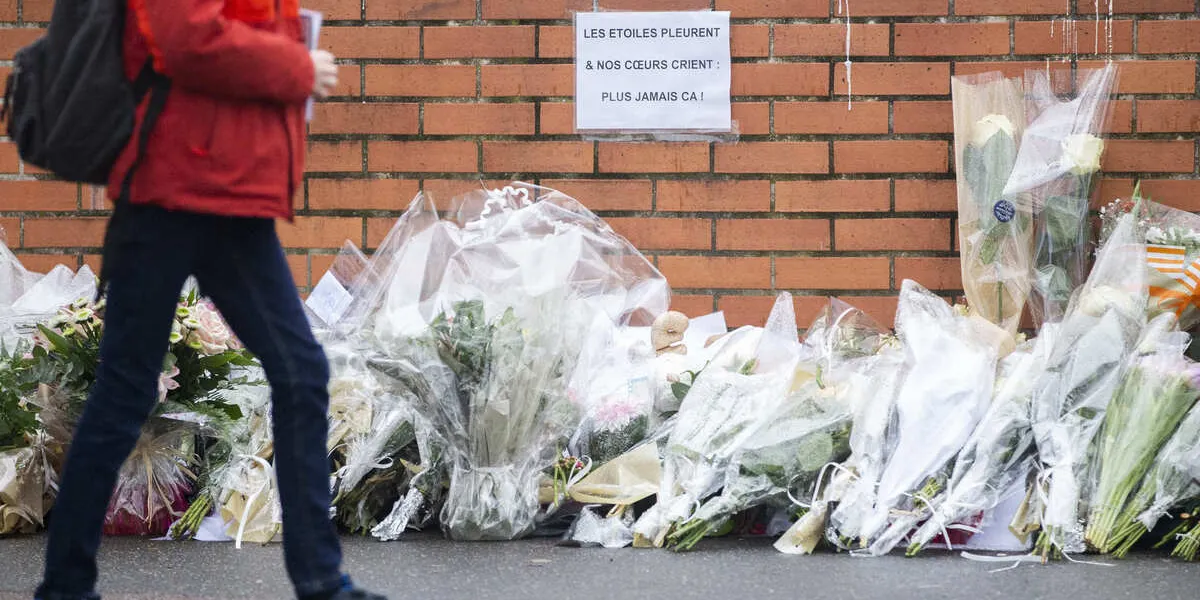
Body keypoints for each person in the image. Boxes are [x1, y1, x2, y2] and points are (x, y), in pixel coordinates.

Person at [34, 1, 385, 599]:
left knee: (301, 372)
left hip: (230, 200)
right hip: (167, 195)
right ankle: (65, 585)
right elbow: (185, 38)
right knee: (126, 387)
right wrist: (296, 67)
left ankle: (322, 580)